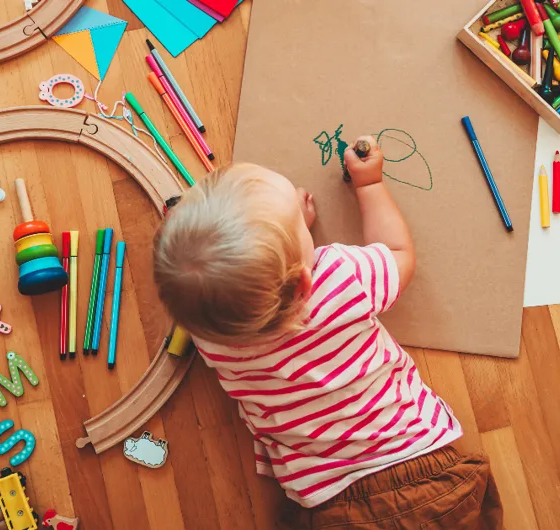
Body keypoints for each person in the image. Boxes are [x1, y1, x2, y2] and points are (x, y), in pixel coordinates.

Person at [153, 137, 503, 529]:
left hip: (328, 509)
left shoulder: (212, 338)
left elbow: (205, 279)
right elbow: (399, 253)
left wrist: (283, 242)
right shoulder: (340, 276)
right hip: (426, 476)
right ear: (304, 282)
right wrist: (369, 185)